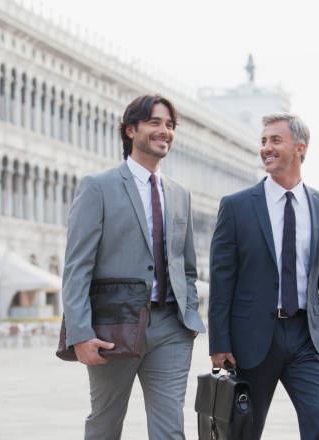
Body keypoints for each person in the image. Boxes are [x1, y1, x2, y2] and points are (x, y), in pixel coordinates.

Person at [61, 94, 205, 440]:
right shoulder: (98, 187)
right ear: (130, 130)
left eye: (169, 125)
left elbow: (187, 267)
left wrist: (187, 313)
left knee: (171, 429)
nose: (164, 131)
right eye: (155, 122)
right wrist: (81, 333)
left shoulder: (179, 193)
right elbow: (77, 267)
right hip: (114, 327)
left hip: (171, 328)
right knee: (105, 424)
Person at [209, 113, 319, 439]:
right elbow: (221, 280)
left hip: (307, 338)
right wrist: (219, 342)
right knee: (243, 432)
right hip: (252, 339)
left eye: (275, 140)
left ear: (299, 148)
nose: (266, 148)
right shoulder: (236, 207)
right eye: (263, 141)